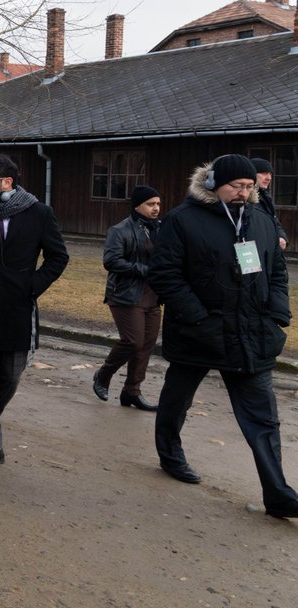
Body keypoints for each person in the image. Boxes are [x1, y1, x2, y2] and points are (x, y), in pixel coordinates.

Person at [148, 155, 298, 518]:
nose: (244, 193)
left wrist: (277, 312)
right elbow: (165, 274)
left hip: (251, 335)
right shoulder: (182, 221)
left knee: (263, 419)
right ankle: (170, 455)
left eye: (250, 187)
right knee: (176, 401)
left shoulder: (261, 221)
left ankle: (277, 494)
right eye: (237, 187)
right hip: (198, 333)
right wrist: (198, 317)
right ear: (215, 183)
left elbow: (277, 272)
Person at [0, 153, 68, 471]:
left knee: (11, 376)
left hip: (17, 309)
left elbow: (58, 257)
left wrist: (32, 287)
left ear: (7, 182)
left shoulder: (38, 213)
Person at [92, 185, 163, 411]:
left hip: (153, 296)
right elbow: (111, 261)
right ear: (137, 206)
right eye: (150, 204)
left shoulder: (160, 229)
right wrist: (144, 269)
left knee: (146, 345)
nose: (156, 208)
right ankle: (103, 374)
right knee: (133, 341)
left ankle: (132, 392)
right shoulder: (120, 229)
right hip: (125, 294)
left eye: (158, 204)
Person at [252, 158, 288, 252]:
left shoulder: (266, 197)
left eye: (270, 174)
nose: (269, 178)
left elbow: (275, 221)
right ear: (251, 174)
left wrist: (281, 236)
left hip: (269, 252)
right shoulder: (243, 199)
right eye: (264, 173)